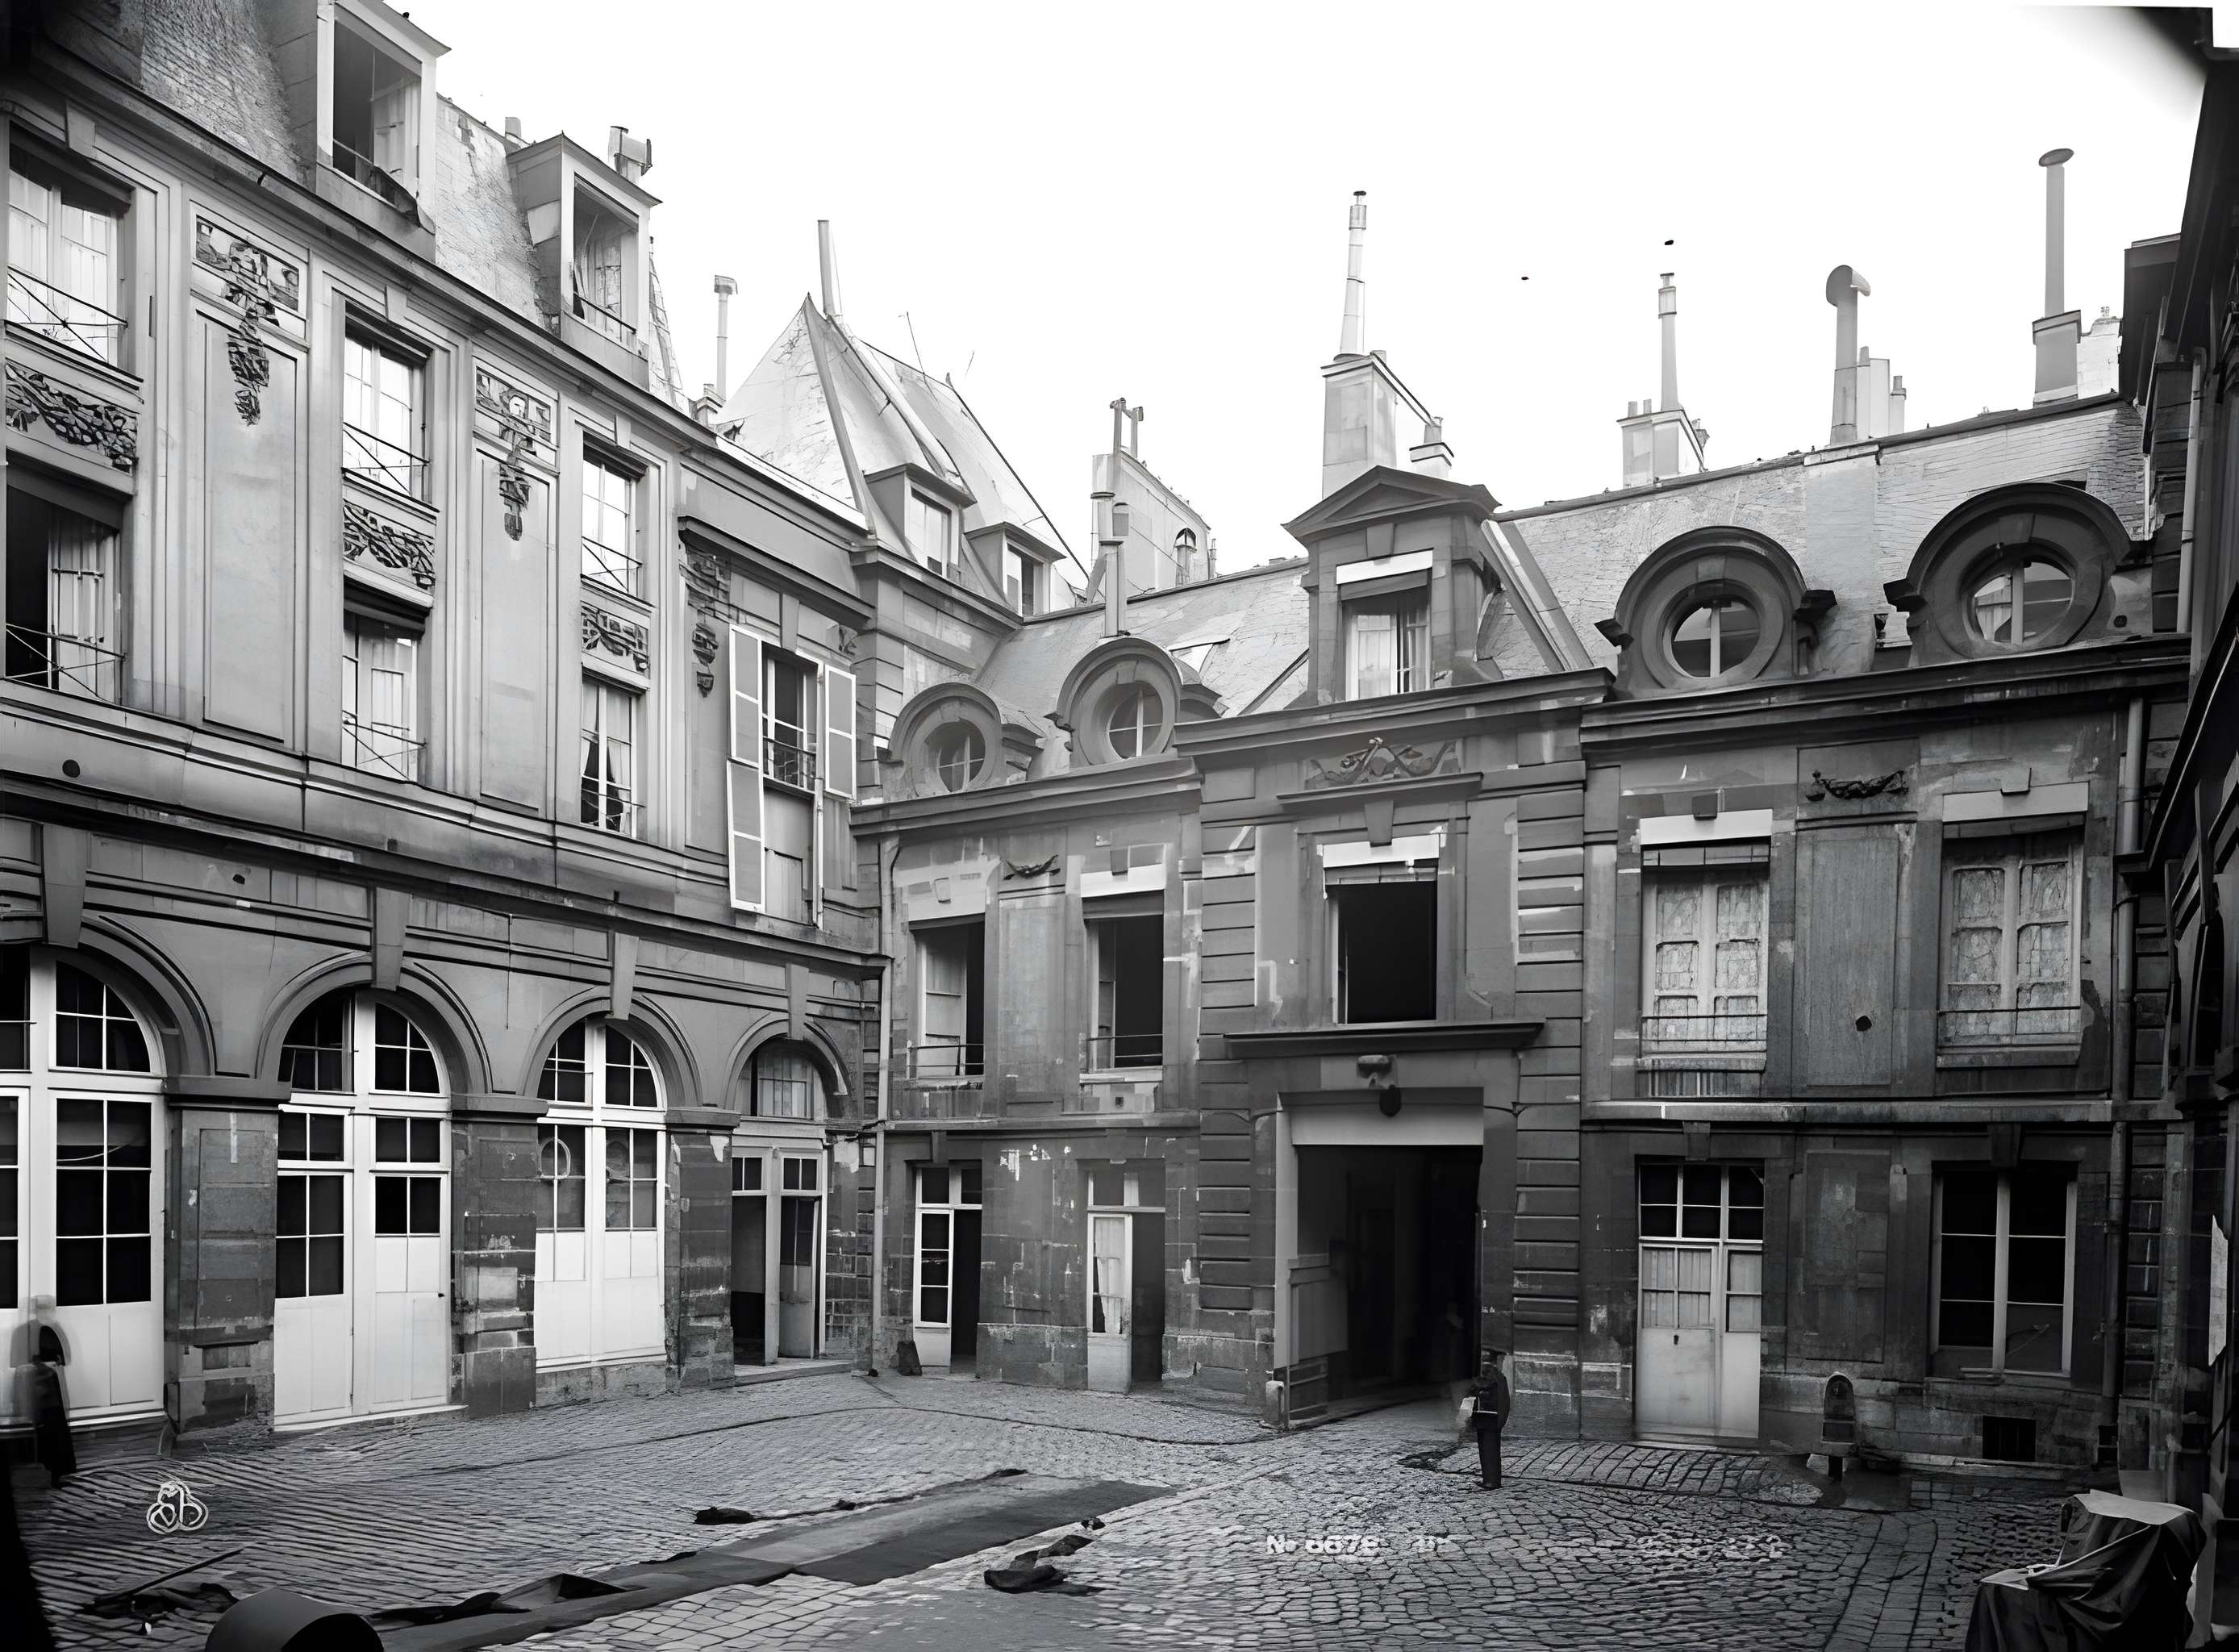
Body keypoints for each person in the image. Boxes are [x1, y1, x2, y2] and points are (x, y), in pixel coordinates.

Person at [27, 1296, 73, 1489]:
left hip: (47, 1388)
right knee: (51, 1430)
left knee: (52, 1429)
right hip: (45, 1389)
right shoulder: (42, 1330)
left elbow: (61, 1358)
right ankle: (52, 1473)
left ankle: (53, 1473)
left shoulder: (45, 1330)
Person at [1468, 1350, 1511, 1491]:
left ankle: (1490, 1482)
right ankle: (1492, 1479)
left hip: (1487, 1419)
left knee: (1487, 1451)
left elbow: (1477, 1387)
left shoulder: (1488, 1376)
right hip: (1493, 1419)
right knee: (1491, 1451)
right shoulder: (1500, 1376)